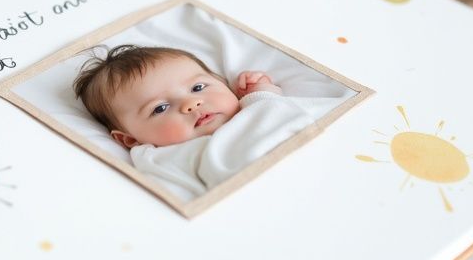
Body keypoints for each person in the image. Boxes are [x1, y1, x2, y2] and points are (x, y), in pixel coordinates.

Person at [73, 44, 338, 201]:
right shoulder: (158, 158)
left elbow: (275, 113)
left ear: (223, 84)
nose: (190, 104)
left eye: (198, 87)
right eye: (160, 108)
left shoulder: (251, 109)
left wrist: (261, 90)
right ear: (130, 139)